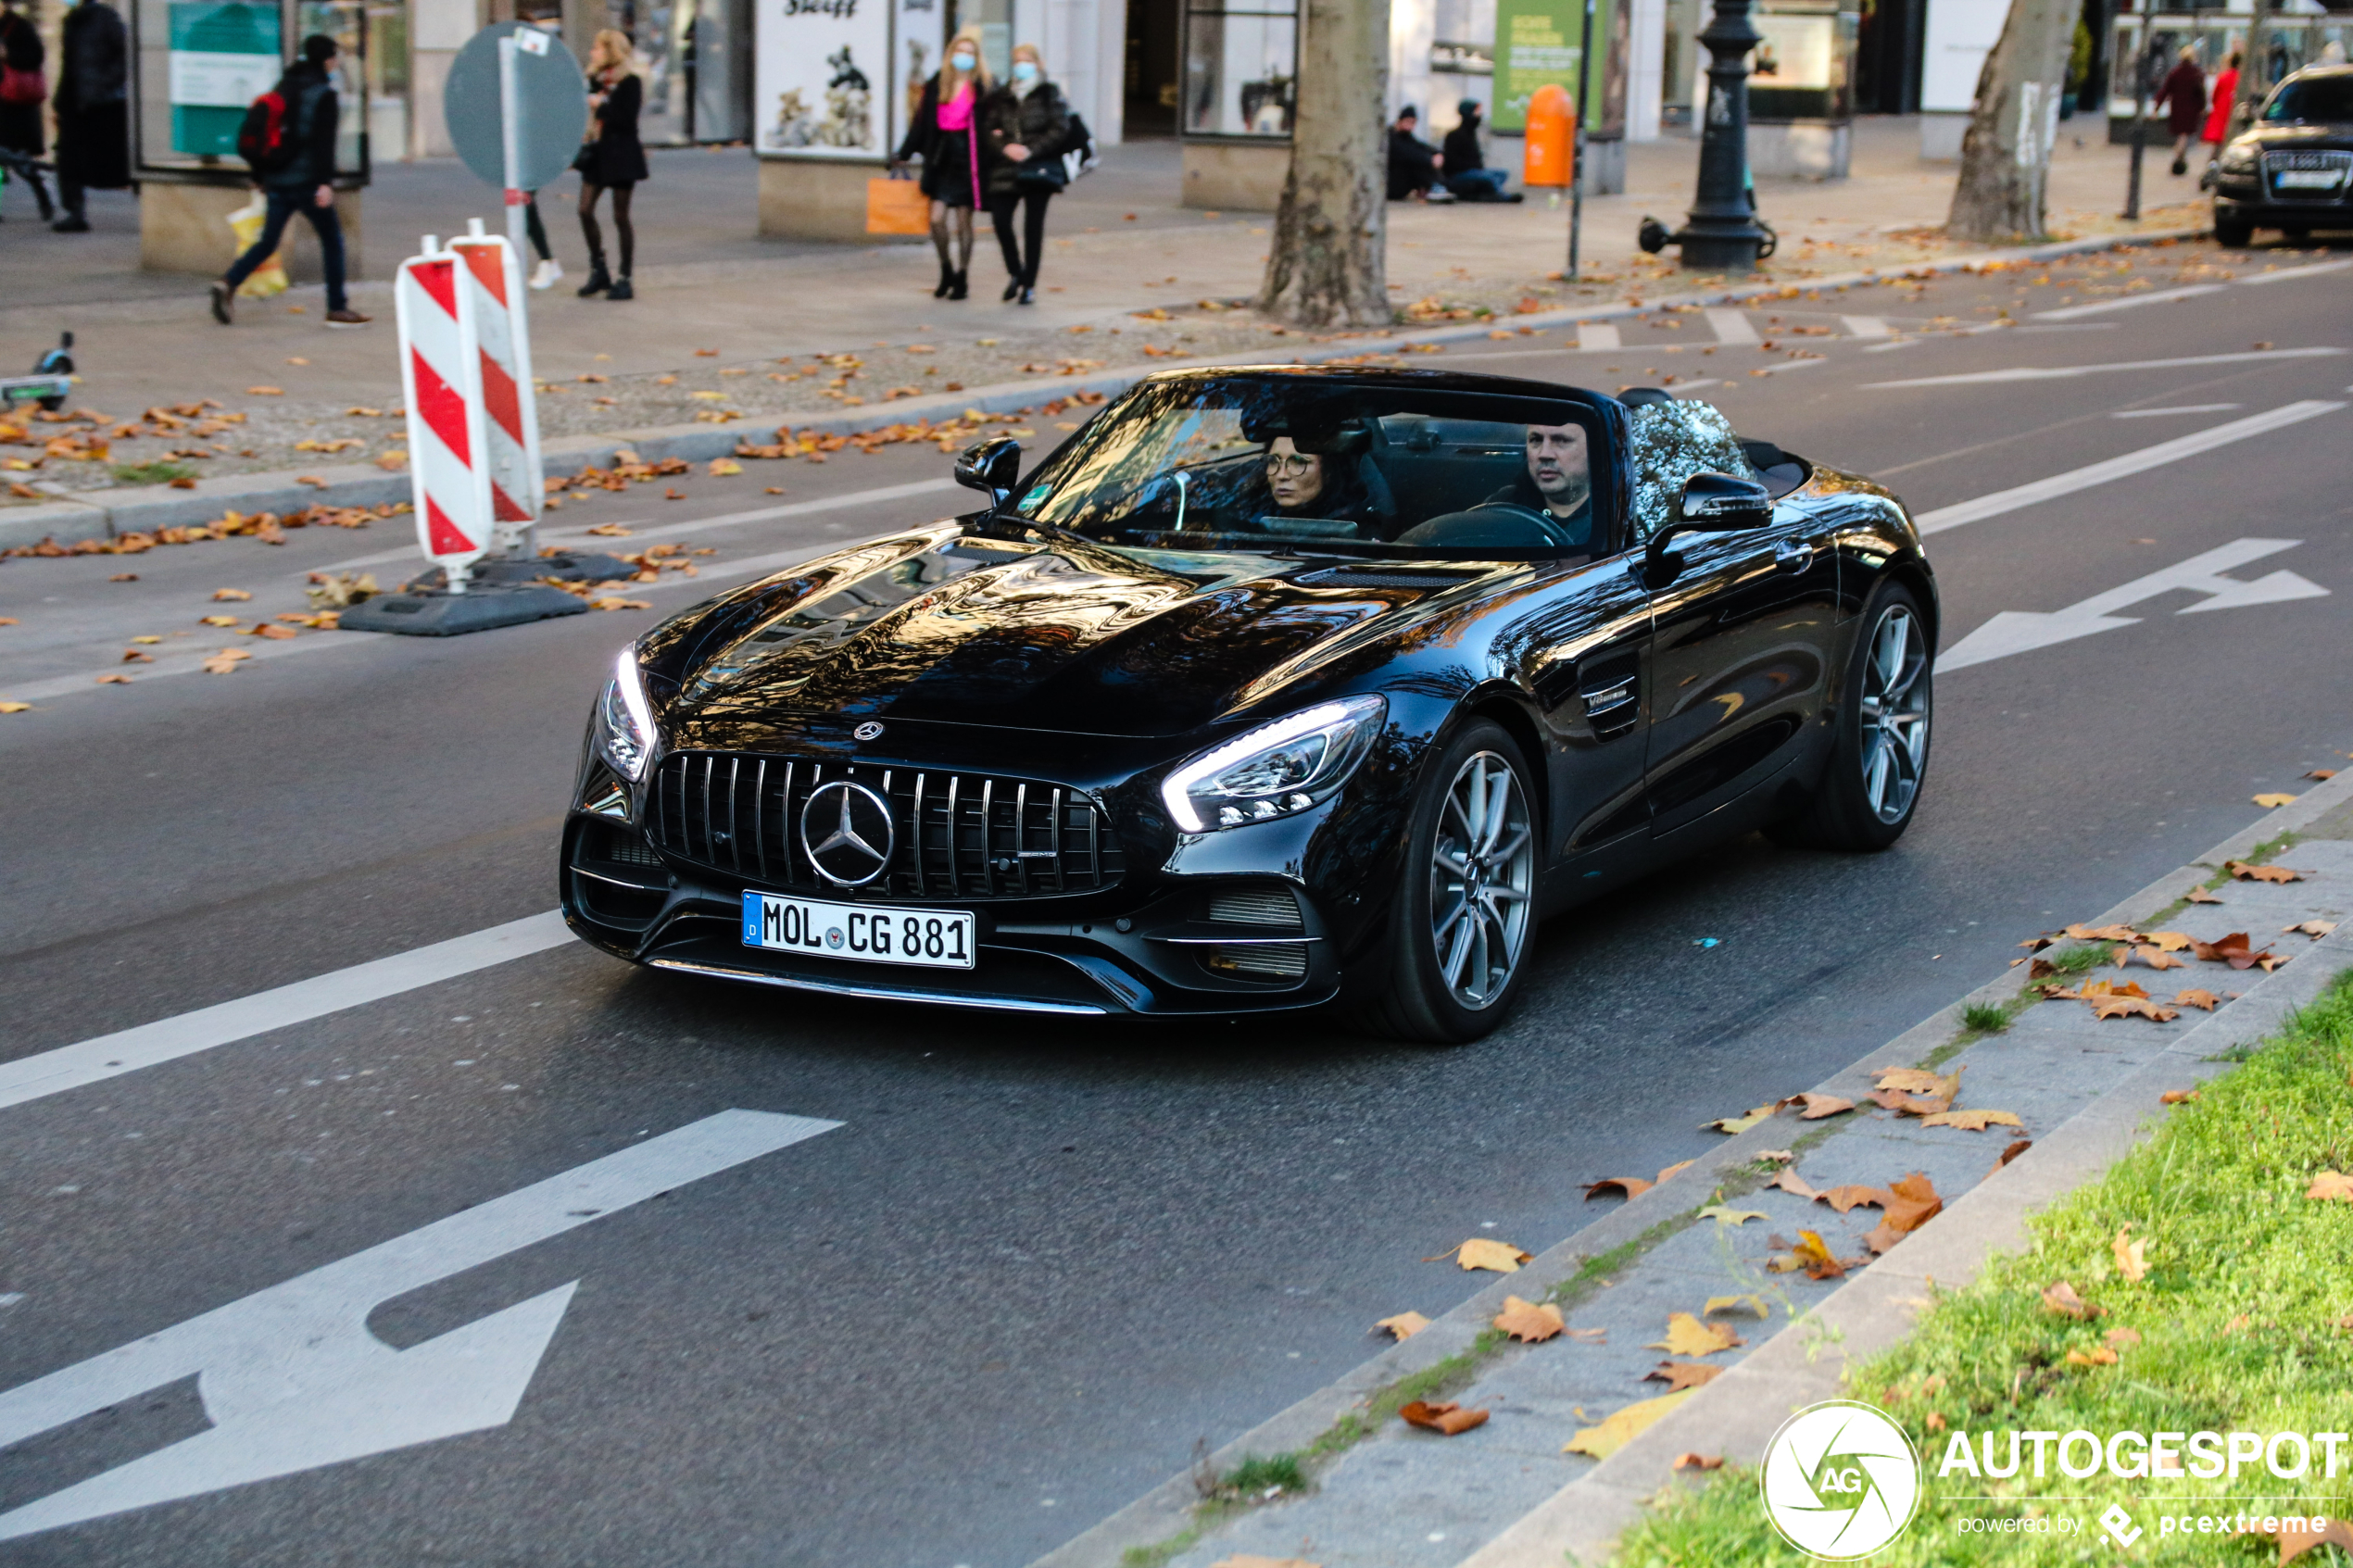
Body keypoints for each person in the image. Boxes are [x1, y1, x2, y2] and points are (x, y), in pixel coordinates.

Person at [211, 34, 368, 326]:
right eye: (335, 58)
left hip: (277, 181)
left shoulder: (284, 86)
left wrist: (260, 176)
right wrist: (324, 183)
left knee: (268, 242)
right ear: (328, 60)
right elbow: (324, 144)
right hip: (307, 182)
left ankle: (228, 282)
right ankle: (337, 306)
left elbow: (266, 133)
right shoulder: (324, 94)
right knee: (332, 241)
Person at [897, 26, 989, 300]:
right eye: (960, 51)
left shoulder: (982, 86)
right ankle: (946, 269)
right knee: (936, 219)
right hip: (940, 155)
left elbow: (991, 124)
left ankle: (962, 276)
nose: (964, 56)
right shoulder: (937, 82)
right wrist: (904, 151)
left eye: (970, 53)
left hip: (967, 156)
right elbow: (921, 122)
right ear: (950, 54)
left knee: (963, 221)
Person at [980, 43, 1071, 305]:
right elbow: (989, 128)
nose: (1020, 65)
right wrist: (1005, 146)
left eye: (1026, 60)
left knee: (1033, 227)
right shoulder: (1003, 95)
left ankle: (1029, 284)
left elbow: (1060, 127)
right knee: (1000, 220)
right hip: (1007, 165)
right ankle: (1015, 272)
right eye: (1016, 60)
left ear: (1037, 63)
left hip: (1037, 166)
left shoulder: (1048, 93)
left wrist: (1030, 150)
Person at [574, 30, 648, 300]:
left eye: (597, 47)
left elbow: (627, 119)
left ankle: (625, 277)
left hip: (622, 154)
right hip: (598, 152)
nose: (593, 52)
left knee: (620, 216)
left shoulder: (630, 81)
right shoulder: (593, 79)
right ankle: (598, 268)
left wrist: (600, 106)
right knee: (584, 209)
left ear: (611, 50)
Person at [50, 0, 127, 233]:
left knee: (113, 159)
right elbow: (69, 64)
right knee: (67, 158)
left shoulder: (105, 18)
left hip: (102, 103)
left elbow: (125, 55)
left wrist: (103, 84)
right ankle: (75, 211)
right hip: (74, 100)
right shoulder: (72, 20)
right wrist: (59, 100)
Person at [1476, 423, 1594, 547]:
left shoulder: (1612, 517)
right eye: (1536, 440)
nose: (1544, 454)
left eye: (1561, 440)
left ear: (1594, 448)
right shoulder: (1503, 504)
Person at [1440, 100, 1521, 203]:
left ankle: (1483, 194)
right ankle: (1502, 196)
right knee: (1487, 177)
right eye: (1476, 112)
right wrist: (1474, 167)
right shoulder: (1454, 135)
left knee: (1502, 174)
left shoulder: (1471, 134)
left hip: (1474, 172)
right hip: (1458, 175)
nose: (1479, 115)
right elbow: (1452, 162)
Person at [2154, 45, 2206, 176]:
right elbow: (2201, 93)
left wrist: (2157, 108)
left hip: (2177, 108)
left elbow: (2165, 90)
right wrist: (2202, 107)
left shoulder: (2175, 72)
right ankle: (2179, 158)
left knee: (2182, 135)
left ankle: (2180, 159)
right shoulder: (2197, 73)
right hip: (2191, 109)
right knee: (2184, 136)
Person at [1387, 106, 1451, 202]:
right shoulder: (1391, 137)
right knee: (1416, 163)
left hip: (1400, 183)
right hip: (1393, 182)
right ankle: (1433, 187)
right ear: (1400, 121)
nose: (1410, 125)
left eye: (1413, 122)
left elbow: (1421, 146)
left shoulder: (1407, 137)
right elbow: (1407, 153)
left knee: (1422, 160)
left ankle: (1436, 186)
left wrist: (1437, 154)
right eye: (1408, 121)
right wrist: (1430, 160)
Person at [2201, 50, 2240, 161]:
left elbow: (2215, 94)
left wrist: (2215, 103)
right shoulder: (2240, 78)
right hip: (2231, 108)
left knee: (2218, 139)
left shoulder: (2223, 77)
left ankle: (2213, 161)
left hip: (2221, 108)